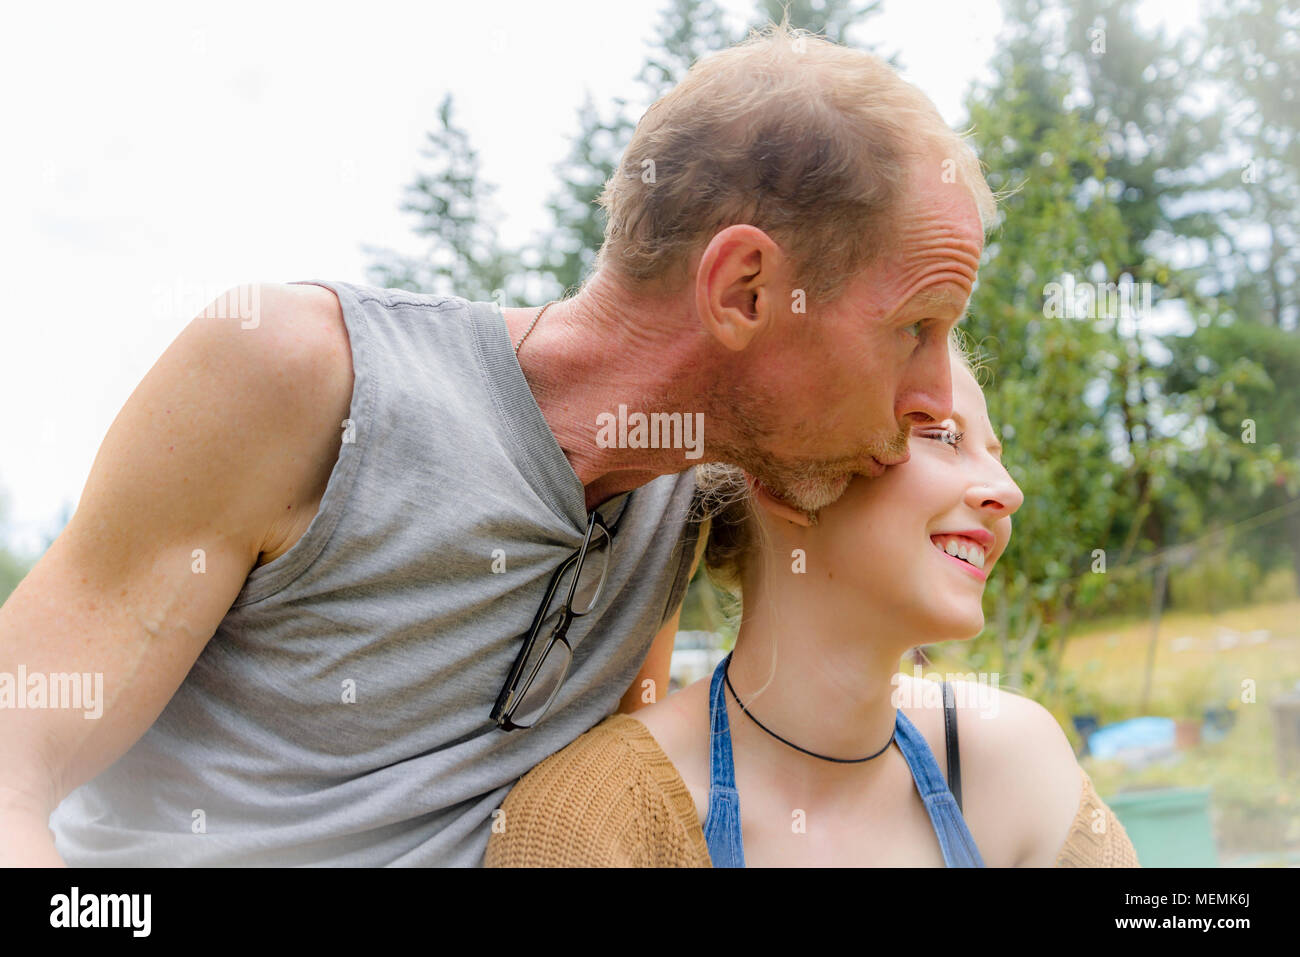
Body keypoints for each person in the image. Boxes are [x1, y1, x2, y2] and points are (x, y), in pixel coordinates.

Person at [0, 21, 993, 866]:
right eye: (918, 327)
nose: (935, 392)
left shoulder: (674, 506)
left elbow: (612, 794)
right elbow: (14, 763)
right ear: (743, 290)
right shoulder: (301, 375)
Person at [485, 342, 1140, 867]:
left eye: (996, 454)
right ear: (789, 479)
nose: (1007, 489)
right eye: (942, 436)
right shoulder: (591, 826)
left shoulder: (1013, 760)